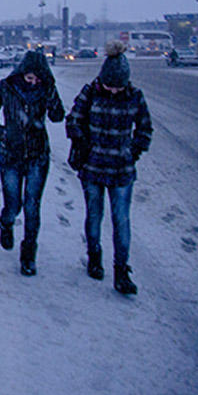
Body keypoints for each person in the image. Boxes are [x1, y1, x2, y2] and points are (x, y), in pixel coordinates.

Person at [66, 41, 153, 295]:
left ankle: (121, 270)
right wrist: (81, 142)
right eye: (109, 86)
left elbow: (145, 129)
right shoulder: (90, 92)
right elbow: (73, 120)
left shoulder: (135, 96)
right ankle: (94, 257)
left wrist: (133, 152)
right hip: (92, 168)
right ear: (101, 79)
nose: (114, 91)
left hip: (122, 171)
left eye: (119, 87)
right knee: (94, 215)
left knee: (121, 220)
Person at [0, 50, 65, 276]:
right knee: (13, 204)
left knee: (32, 205)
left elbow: (58, 116)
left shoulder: (45, 89)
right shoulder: (6, 87)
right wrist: (2, 133)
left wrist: (50, 92)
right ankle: (6, 223)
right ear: (22, 73)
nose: (33, 82)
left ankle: (28, 254)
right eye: (30, 78)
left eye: (38, 79)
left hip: (38, 155)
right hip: (11, 155)